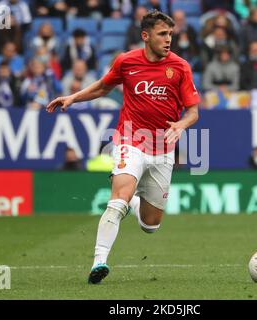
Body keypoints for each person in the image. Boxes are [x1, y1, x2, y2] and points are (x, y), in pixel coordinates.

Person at [46, 10, 200, 284]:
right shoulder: (127, 62)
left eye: (170, 35)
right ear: (145, 36)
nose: (168, 40)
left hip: (163, 149)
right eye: (162, 34)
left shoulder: (180, 67)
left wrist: (181, 125)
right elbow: (103, 88)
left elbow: (193, 111)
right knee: (117, 200)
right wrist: (73, 97)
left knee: (151, 225)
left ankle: (136, 201)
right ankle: (99, 261)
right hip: (130, 140)